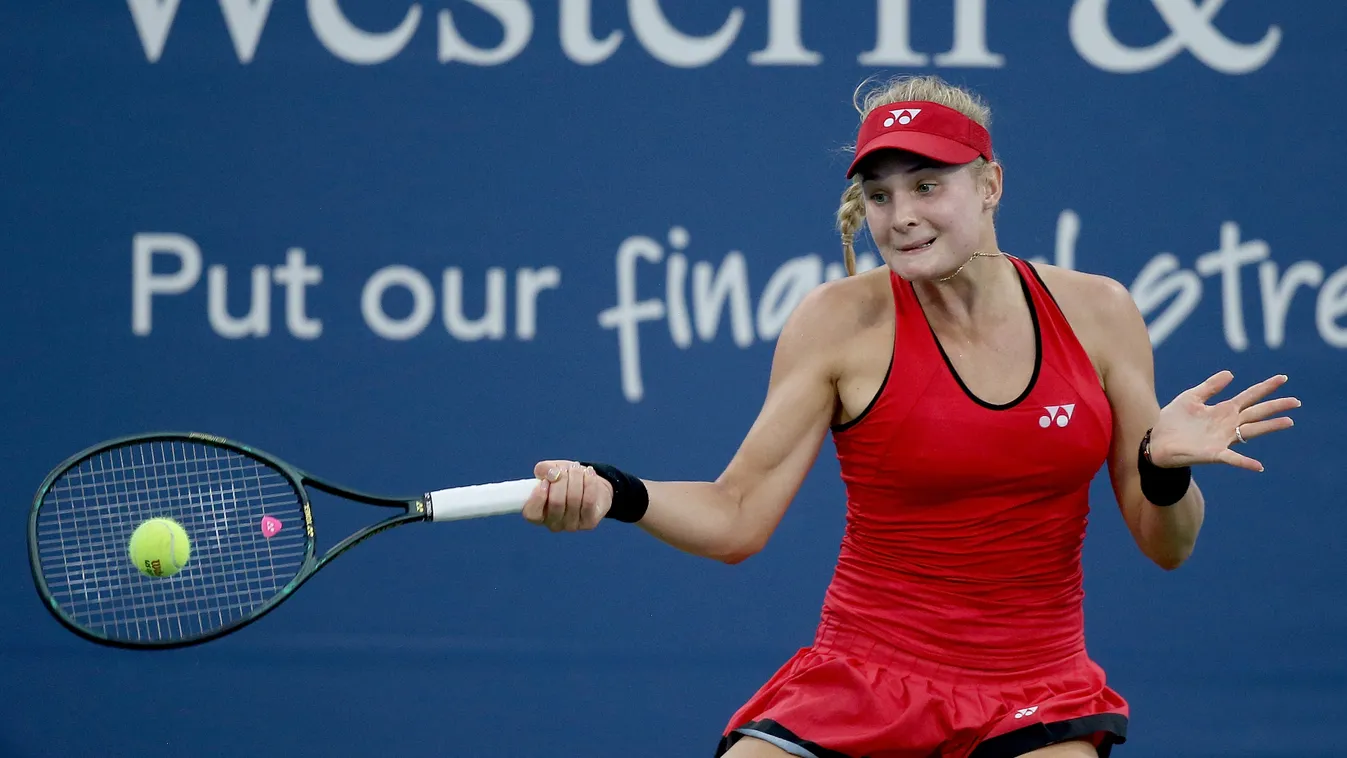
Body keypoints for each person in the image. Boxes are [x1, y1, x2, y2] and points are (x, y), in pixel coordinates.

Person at [520, 75, 1300, 758]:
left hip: (1037, 690)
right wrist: (615, 491)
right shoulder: (834, 321)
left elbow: (1168, 547)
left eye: (928, 185)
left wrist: (1160, 472)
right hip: (861, 677)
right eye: (881, 194)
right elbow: (735, 518)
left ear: (990, 184)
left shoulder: (1098, 313)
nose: (900, 216)